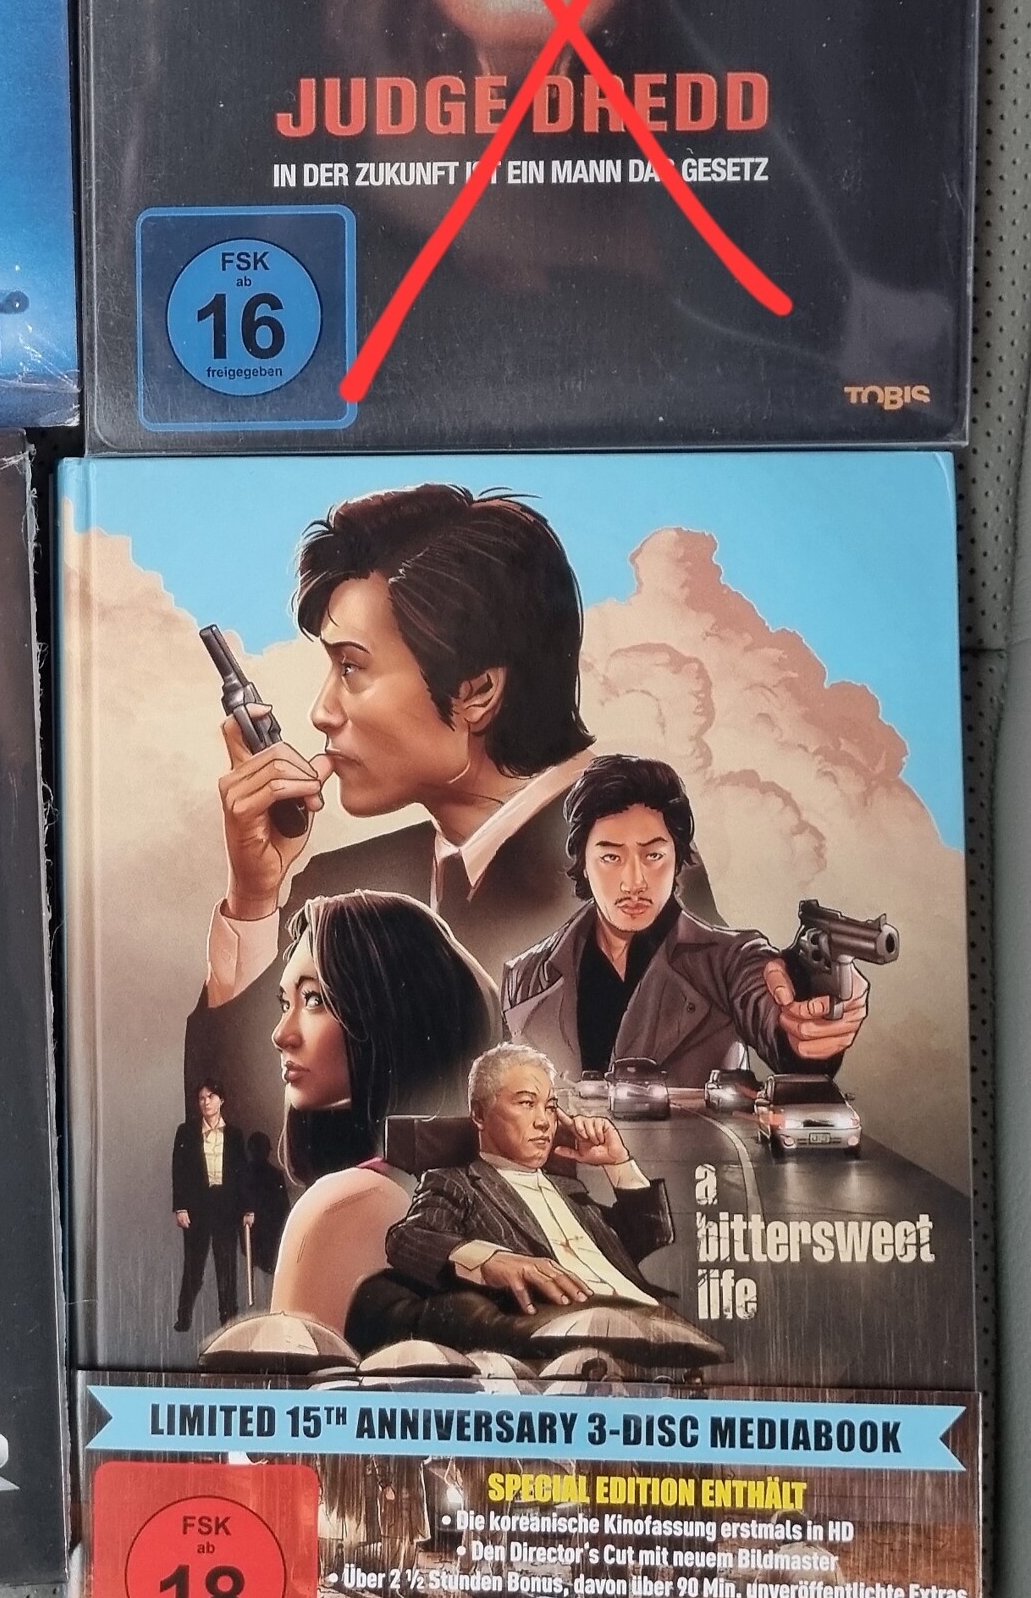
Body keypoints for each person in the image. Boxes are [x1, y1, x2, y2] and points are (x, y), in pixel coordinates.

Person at [186, 483, 721, 1141]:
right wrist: (253, 898)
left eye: (351, 668)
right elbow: (230, 1144)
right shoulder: (332, 886)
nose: (322, 712)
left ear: (478, 691)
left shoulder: (639, 880)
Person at [503, 753, 868, 1083]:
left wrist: (810, 1000)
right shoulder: (525, 977)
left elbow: (770, 1003)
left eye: (653, 856)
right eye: (611, 857)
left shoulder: (728, 960)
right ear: (583, 862)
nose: (634, 882)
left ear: (677, 857)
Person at [265, 891, 497, 1335]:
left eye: (313, 999)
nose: (281, 1034)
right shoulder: (467, 1186)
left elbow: (289, 1381)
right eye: (285, 1003)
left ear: (392, 1012)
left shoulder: (342, 1208)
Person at [348, 1044, 673, 1358]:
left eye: (550, 1107)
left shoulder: (568, 1189)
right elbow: (407, 1238)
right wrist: (490, 1259)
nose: (544, 1121)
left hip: (652, 1318)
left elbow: (647, 1238)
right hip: (575, 1332)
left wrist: (618, 1164)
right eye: (527, 1103)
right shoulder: (458, 1183)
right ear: (479, 1114)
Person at [170, 1083, 252, 1333]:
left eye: (211, 1096)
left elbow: (242, 1173)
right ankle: (184, 1317)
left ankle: (228, 1321)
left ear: (221, 1100)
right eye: (201, 1098)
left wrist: (248, 1209)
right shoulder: (186, 1132)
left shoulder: (234, 1134)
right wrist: (180, 1207)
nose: (205, 1102)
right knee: (193, 1266)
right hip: (197, 1207)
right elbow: (178, 1170)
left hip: (225, 1207)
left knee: (226, 1267)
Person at [242, 1134, 291, 1307]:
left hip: (258, 1238)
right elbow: (284, 1208)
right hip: (268, 1236)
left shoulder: (244, 1175)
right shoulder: (274, 1175)